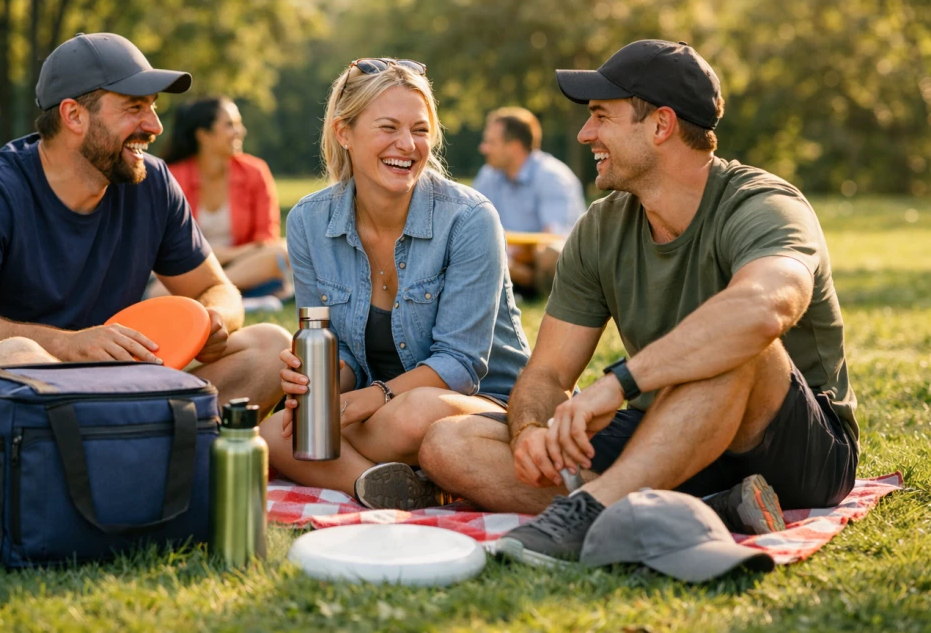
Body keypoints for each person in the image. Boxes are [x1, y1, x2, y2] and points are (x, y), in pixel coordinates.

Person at [419, 40, 860, 566]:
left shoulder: (764, 204)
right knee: (449, 443)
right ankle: (709, 510)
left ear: (661, 125)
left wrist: (620, 384)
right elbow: (547, 373)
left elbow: (762, 310)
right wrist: (532, 430)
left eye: (601, 117)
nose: (586, 134)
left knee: (738, 343)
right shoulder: (601, 227)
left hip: (796, 447)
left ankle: (585, 516)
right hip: (666, 433)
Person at [0, 32, 289, 477]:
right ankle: (139, 452)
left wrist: (210, 320)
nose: (155, 126)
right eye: (135, 107)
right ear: (73, 114)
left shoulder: (152, 184)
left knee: (270, 347)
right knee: (14, 353)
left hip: (115, 392)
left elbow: (216, 287)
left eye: (153, 107)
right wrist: (68, 346)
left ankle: (120, 453)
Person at [257, 58, 531, 510]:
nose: (407, 145)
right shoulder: (308, 220)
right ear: (344, 132)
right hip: (375, 410)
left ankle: (359, 463)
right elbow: (338, 351)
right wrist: (318, 383)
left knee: (412, 415)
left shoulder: (469, 219)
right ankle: (383, 484)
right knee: (277, 434)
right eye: (388, 127)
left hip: (479, 405)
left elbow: (460, 364)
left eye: (420, 131)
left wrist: (370, 399)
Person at [164, 97, 292, 298]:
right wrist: (213, 256)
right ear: (204, 135)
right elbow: (167, 246)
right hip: (190, 266)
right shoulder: (171, 176)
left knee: (284, 251)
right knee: (160, 286)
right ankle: (238, 295)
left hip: (244, 263)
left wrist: (226, 255)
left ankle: (210, 293)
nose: (240, 131)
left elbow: (266, 237)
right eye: (230, 125)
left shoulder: (255, 171)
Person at [472, 107, 585, 295]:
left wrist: (505, 257)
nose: (483, 148)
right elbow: (472, 224)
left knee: (550, 254)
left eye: (490, 142)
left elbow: (554, 238)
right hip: (508, 256)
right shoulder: (488, 175)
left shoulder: (552, 177)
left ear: (514, 147)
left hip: (545, 263)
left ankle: (530, 291)